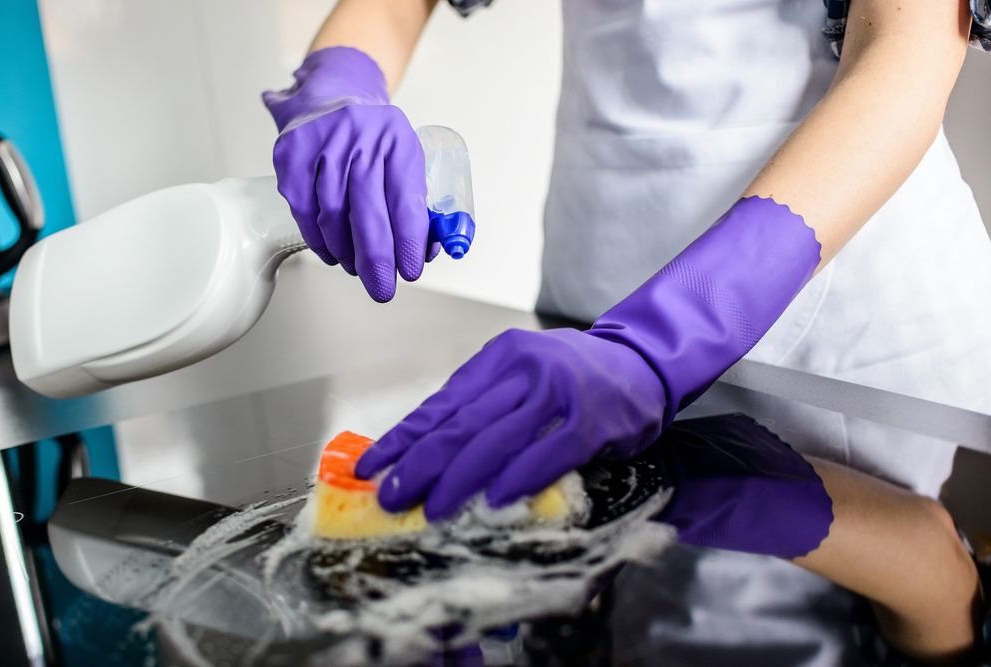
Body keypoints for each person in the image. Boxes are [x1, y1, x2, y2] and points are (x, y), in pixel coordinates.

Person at [262, 0, 991, 662]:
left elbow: (908, 50)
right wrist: (339, 86)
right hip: (598, 266)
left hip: (846, 299)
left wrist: (660, 340)